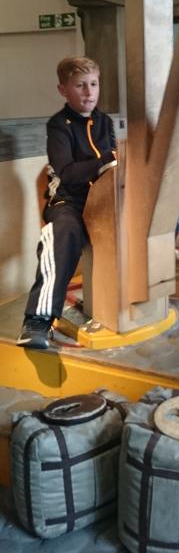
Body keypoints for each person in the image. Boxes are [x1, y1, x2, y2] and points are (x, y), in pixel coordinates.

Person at [17, 56, 117, 350]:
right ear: (63, 90)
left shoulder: (105, 122)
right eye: (80, 85)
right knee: (61, 231)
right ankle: (38, 320)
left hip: (104, 200)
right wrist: (106, 161)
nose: (89, 92)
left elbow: (113, 165)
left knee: (155, 217)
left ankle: (137, 297)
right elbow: (68, 172)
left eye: (93, 84)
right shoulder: (59, 125)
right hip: (69, 202)